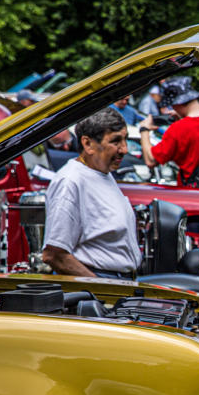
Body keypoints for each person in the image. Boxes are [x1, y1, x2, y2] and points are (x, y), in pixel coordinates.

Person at [42, 108, 141, 279]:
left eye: (125, 140)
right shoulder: (71, 181)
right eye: (116, 141)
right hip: (101, 284)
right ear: (88, 144)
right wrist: (99, 289)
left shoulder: (102, 173)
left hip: (115, 282)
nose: (124, 149)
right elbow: (54, 255)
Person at [141, 77, 199, 187]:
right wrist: (182, 118)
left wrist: (144, 130)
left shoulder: (177, 129)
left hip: (194, 194)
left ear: (178, 103)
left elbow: (151, 161)